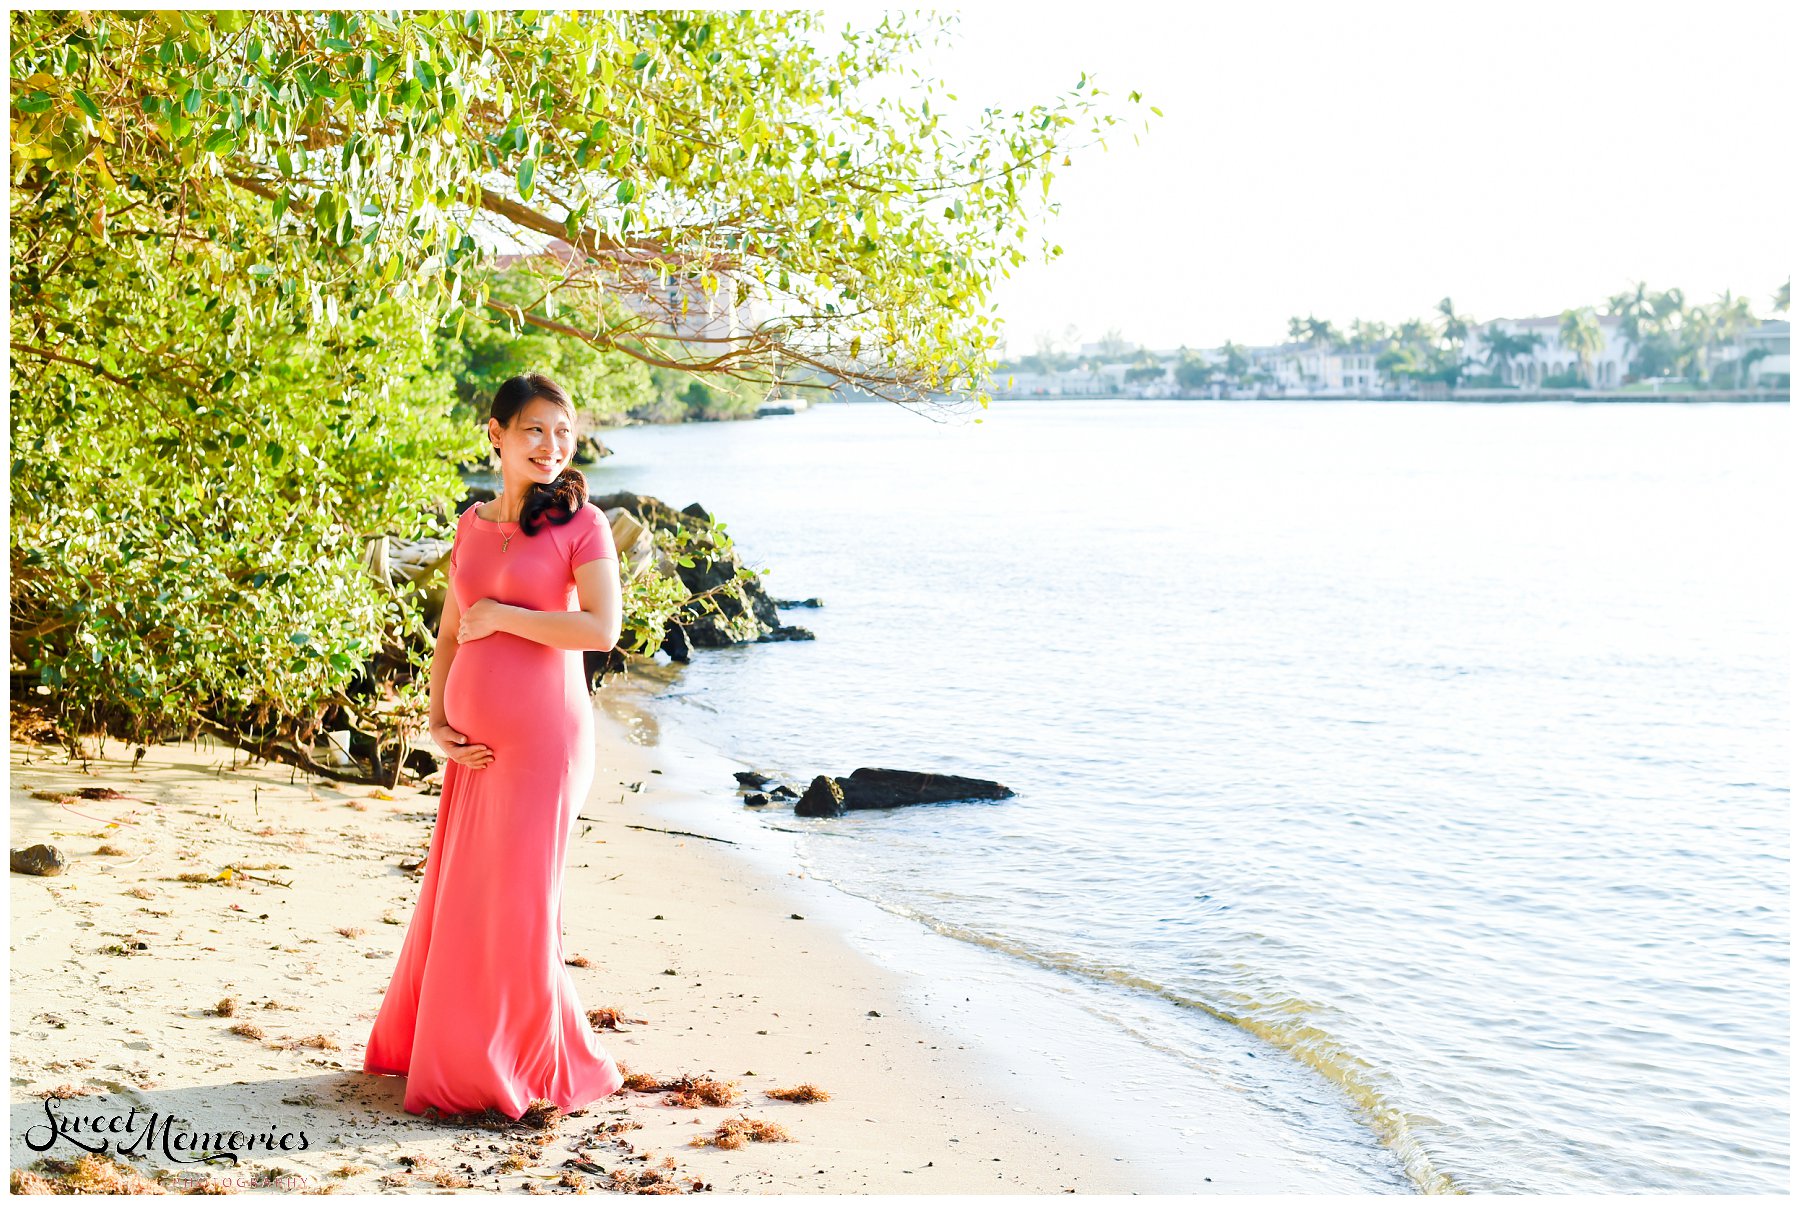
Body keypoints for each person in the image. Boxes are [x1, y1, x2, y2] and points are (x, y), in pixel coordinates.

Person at [362, 373, 626, 1118]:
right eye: (536, 429)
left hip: (547, 743)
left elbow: (599, 629)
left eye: (563, 432)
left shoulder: (584, 525)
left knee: (519, 904)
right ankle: (460, 1050)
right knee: (465, 897)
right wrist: (437, 716)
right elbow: (452, 628)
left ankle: (522, 1065)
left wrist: (506, 616)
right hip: (475, 747)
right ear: (497, 435)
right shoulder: (472, 525)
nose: (552, 445)